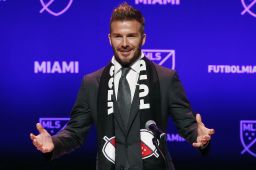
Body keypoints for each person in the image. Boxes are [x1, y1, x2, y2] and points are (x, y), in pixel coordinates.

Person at [30, 2, 214, 170]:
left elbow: (187, 125)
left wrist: (199, 137)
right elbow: (75, 132)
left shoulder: (166, 78)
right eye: (118, 36)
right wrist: (54, 142)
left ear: (143, 39)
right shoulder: (92, 82)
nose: (124, 43)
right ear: (110, 39)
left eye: (131, 36)